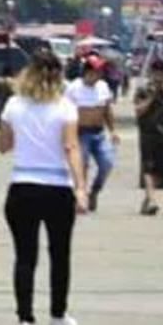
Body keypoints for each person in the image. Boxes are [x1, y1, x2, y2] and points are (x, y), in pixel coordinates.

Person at [0, 50, 90, 325]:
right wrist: (81, 187)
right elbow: (71, 148)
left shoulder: (13, 104)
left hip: (22, 184)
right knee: (59, 254)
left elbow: (3, 145)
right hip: (57, 187)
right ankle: (57, 316)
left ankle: (25, 319)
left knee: (25, 255)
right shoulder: (65, 107)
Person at [66, 57, 118, 212]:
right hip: (81, 132)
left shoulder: (103, 87)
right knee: (82, 166)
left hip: (99, 132)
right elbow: (66, 113)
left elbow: (107, 110)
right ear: (88, 72)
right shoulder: (74, 88)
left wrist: (113, 130)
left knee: (107, 163)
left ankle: (95, 190)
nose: (99, 74)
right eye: (96, 71)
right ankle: (80, 197)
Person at [133, 58, 163, 216]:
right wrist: (151, 98)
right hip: (148, 132)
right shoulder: (143, 89)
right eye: (156, 72)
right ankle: (152, 201)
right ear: (151, 73)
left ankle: (148, 197)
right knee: (148, 167)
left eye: (162, 72)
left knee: (162, 171)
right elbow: (138, 110)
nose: (159, 75)